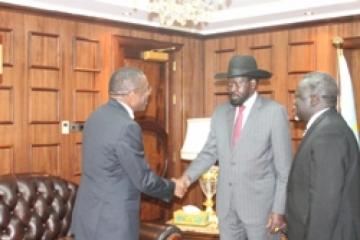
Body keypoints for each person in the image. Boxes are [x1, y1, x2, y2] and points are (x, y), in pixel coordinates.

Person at [177, 55, 292, 240]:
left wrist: (279, 210)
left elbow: (284, 169)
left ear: (253, 84)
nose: (232, 89)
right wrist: (186, 178)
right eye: (229, 84)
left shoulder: (274, 113)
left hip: (260, 210)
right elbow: (209, 152)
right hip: (226, 207)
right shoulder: (220, 113)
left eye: (237, 84)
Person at [71, 67, 180, 240]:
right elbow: (143, 180)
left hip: (88, 217)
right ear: (132, 94)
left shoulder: (94, 117)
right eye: (145, 91)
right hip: (113, 224)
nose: (148, 95)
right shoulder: (127, 127)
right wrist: (172, 187)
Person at [286, 72, 360, 240]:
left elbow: (325, 201)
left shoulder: (329, 134)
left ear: (314, 99)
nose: (293, 103)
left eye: (297, 96)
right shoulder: (325, 127)